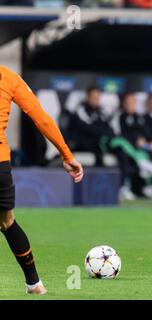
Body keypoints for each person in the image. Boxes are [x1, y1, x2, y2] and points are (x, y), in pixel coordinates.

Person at [0, 65, 84, 294]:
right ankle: (34, 283)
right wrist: (67, 155)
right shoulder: (8, 77)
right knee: (7, 222)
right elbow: (42, 120)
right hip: (0, 162)